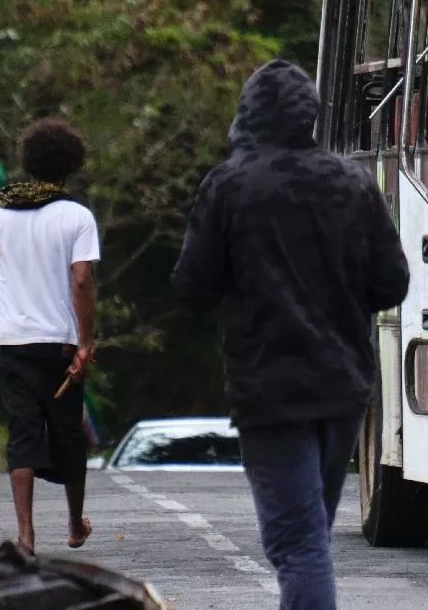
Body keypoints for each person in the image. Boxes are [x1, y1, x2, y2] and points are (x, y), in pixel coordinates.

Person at [173, 60, 411, 610]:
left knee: (297, 544)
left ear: (247, 116)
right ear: (310, 115)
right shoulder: (354, 182)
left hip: (270, 390)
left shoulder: (228, 186)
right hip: (344, 389)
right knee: (310, 540)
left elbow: (192, 287)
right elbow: (393, 281)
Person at [0, 119, 99, 553]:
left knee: (22, 432)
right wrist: (85, 341)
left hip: (12, 341)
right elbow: (81, 281)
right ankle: (75, 524)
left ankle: (26, 533)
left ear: (29, 161)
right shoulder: (78, 216)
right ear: (71, 166)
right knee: (67, 433)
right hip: (58, 344)